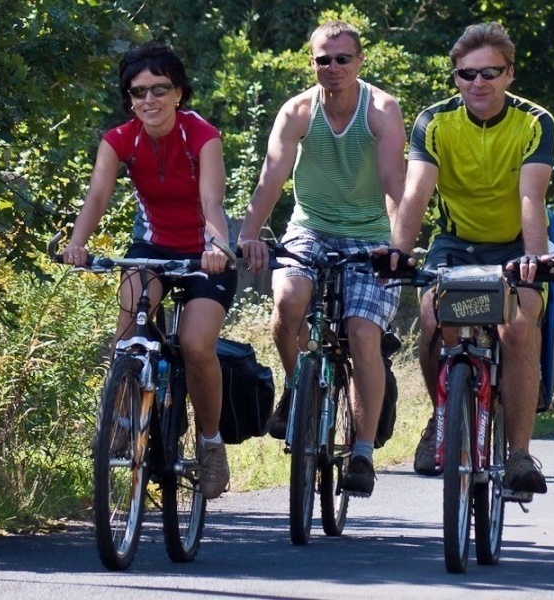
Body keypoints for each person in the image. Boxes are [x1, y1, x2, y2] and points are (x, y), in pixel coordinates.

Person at [238, 21, 406, 497]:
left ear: (360, 62)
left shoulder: (381, 109)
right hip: (309, 230)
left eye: (342, 59)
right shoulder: (296, 112)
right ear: (310, 62)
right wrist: (250, 235)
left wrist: (397, 247)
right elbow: (271, 178)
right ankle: (298, 389)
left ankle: (363, 452)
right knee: (288, 304)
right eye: (322, 60)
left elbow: (396, 183)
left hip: (370, 236)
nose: (332, 68)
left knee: (361, 333)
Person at [62, 41, 236, 500]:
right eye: (139, 92)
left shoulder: (202, 134)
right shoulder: (119, 140)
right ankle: (122, 422)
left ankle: (210, 443)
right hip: (153, 247)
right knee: (127, 334)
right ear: (129, 99)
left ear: (178, 92)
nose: (149, 100)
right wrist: (78, 243)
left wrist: (218, 245)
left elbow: (212, 201)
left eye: (160, 89)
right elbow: (98, 196)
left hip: (205, 253)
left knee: (197, 345)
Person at [389, 22, 554, 495]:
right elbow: (417, 191)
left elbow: (532, 197)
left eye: (490, 73)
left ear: (509, 75)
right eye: (467, 74)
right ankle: (442, 418)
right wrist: (399, 253)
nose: (478, 83)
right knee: (430, 317)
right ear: (455, 77)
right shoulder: (435, 122)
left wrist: (532, 259)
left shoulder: (534, 122)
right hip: (457, 243)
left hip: (513, 245)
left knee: (519, 326)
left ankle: (520, 454)